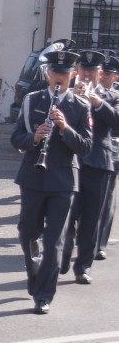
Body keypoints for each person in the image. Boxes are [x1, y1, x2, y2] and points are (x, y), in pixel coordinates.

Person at [11, 50, 92, 314]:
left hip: (63, 181)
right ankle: (35, 273)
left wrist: (65, 128)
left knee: (54, 241)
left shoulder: (80, 106)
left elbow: (86, 147)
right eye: (56, 73)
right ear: (48, 74)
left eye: (65, 74)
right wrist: (34, 138)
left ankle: (45, 295)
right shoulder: (31, 100)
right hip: (33, 178)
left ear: (72, 75)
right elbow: (16, 138)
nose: (60, 78)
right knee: (27, 233)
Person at [60, 51, 119, 283]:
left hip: (99, 163)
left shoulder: (111, 96)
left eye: (91, 71)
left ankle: (83, 266)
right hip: (72, 163)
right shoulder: (67, 94)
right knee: (67, 216)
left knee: (92, 219)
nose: (86, 75)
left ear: (100, 73)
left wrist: (98, 102)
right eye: (83, 70)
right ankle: (62, 259)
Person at [97, 56, 119, 260]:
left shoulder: (116, 96)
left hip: (112, 153)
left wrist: (99, 103)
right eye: (102, 73)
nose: (104, 77)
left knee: (106, 200)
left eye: (108, 74)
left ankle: (98, 243)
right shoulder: (84, 92)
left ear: (115, 77)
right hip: (86, 151)